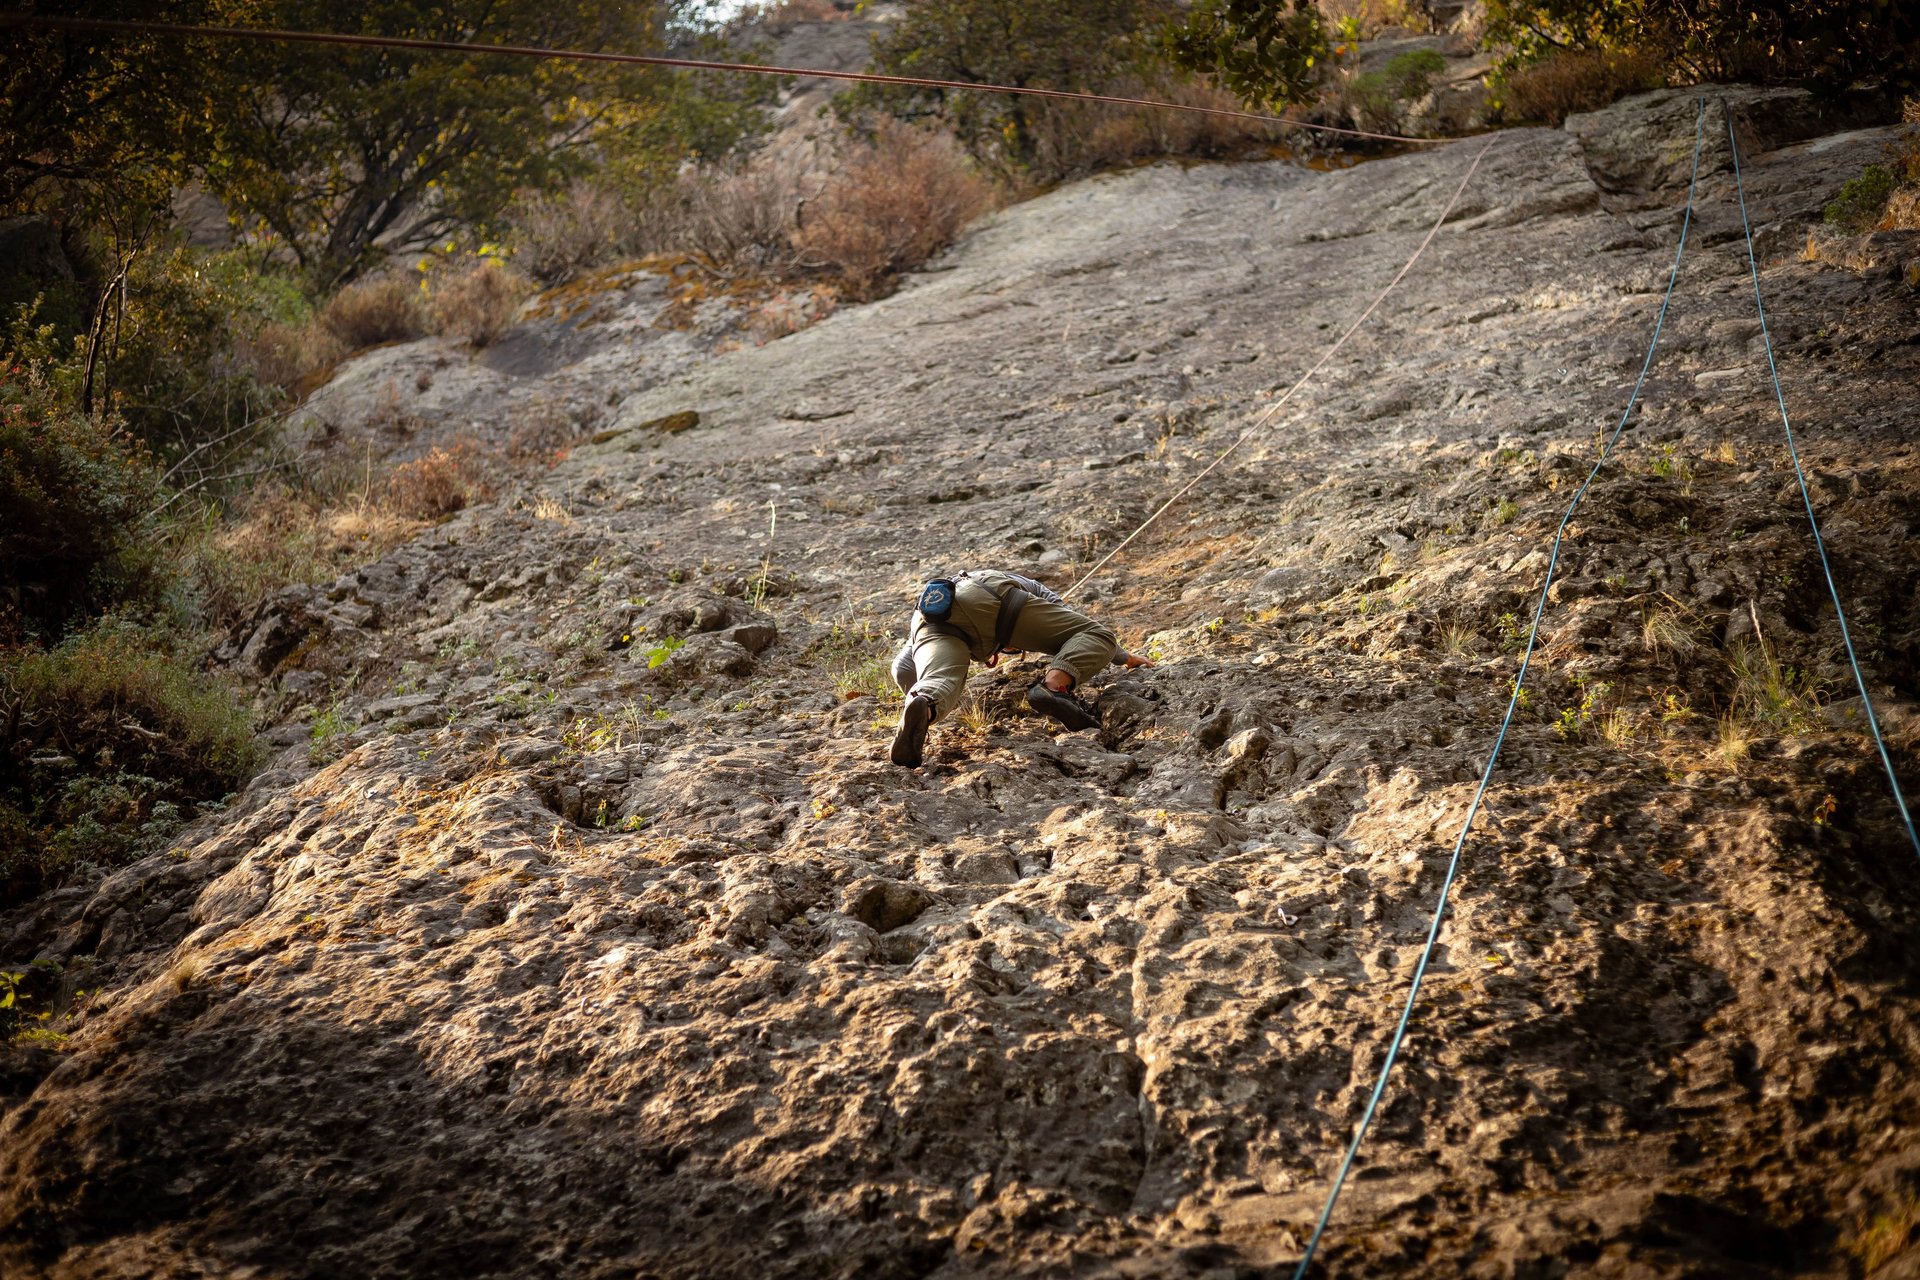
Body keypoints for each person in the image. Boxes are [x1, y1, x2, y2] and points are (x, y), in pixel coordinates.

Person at [888, 569, 1152, 768]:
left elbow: (902, 669)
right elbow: (1078, 628)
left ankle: (925, 704)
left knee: (938, 680)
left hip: (929, 620)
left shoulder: (936, 606)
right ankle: (1053, 688)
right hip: (991, 596)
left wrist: (913, 692)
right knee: (1098, 634)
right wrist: (1124, 657)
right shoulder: (1029, 586)